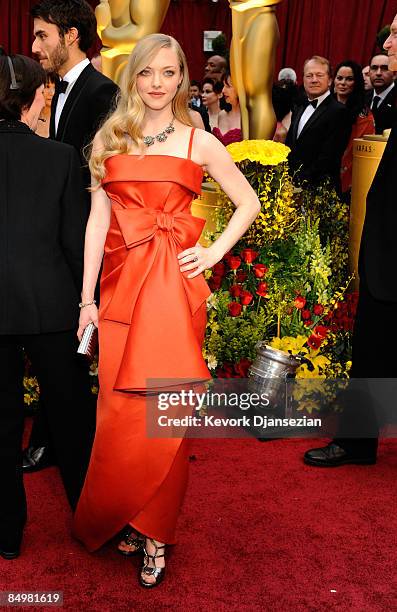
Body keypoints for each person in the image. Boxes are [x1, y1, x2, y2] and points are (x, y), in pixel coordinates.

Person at [72, 33, 260, 587]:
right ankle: (127, 513)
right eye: (148, 73)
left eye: (169, 73)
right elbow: (96, 225)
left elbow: (247, 200)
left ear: (182, 78)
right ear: (134, 77)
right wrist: (85, 300)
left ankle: (156, 531)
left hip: (173, 293)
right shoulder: (109, 138)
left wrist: (213, 250)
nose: (158, 83)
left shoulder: (197, 142)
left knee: (165, 408)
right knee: (119, 410)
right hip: (119, 287)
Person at [0, 54, 96, 559]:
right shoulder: (60, 157)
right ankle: (90, 521)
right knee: (74, 420)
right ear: (34, 98)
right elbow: (75, 243)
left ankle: (7, 534)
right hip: (52, 309)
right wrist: (89, 304)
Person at [24, 0, 118, 474]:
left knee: (72, 347)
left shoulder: (103, 93)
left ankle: (66, 443)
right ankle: (56, 437)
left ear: (71, 35)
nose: (34, 44)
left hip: (85, 241)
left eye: (43, 35)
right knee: (63, 346)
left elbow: (102, 179)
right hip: (60, 239)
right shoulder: (59, 89)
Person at [304, 14, 397, 467]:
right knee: (372, 346)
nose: (389, 40)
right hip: (385, 250)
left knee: (375, 346)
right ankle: (358, 444)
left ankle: (357, 443)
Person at [286, 55, 352, 194]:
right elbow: (290, 147)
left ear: (329, 80)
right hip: (292, 188)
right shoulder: (299, 107)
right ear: (303, 80)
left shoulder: (339, 111)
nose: (314, 80)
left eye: (319, 75)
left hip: (321, 192)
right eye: (309, 75)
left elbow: (329, 156)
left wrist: (302, 183)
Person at [333, 60, 375, 197]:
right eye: (339, 78)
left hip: (349, 179)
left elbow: (357, 152)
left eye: (349, 79)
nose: (343, 83)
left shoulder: (364, 116)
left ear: (356, 83)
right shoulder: (324, 108)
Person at [366, 53, 397, 134]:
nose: (378, 73)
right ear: (369, 72)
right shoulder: (362, 98)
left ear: (394, 74)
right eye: (374, 68)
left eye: (384, 68)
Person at [212, 72, 242, 146]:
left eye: (228, 86)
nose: (223, 90)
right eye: (223, 86)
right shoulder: (222, 114)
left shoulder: (249, 117)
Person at [35, 72, 56, 138]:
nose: (51, 93)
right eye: (47, 86)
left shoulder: (60, 118)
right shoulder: (31, 116)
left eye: (55, 88)